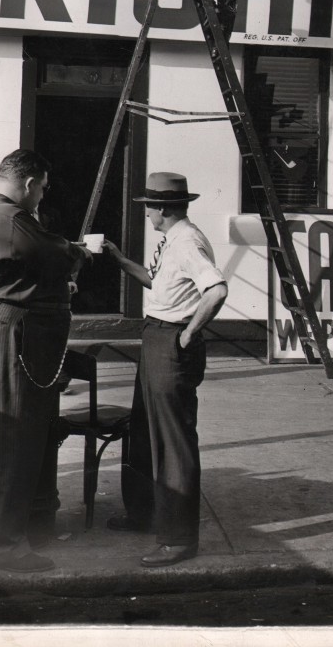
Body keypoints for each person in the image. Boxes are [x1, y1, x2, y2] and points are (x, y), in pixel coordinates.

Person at [0, 149, 92, 572]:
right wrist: (80, 253)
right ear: (31, 184)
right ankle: (2, 546)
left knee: (6, 434)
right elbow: (58, 253)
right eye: (43, 188)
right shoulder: (14, 220)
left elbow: (19, 270)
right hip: (10, 331)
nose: (42, 196)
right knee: (11, 439)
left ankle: (13, 529)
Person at [102, 171, 228, 567]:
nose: (147, 216)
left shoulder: (188, 243)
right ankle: (144, 514)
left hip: (171, 341)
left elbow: (217, 290)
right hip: (154, 335)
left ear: (161, 208)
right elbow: (157, 283)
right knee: (143, 431)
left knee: (172, 443)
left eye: (148, 209)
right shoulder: (172, 240)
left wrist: (189, 332)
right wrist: (120, 260)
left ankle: (177, 539)